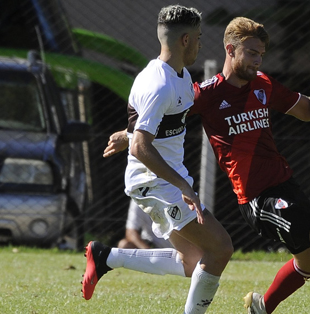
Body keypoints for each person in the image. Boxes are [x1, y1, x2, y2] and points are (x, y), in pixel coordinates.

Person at [105, 16, 310, 314]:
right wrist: (128, 134)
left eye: (261, 54)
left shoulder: (263, 84)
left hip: (285, 184)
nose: (258, 61)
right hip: (257, 199)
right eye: (251, 53)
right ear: (230, 50)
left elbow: (303, 107)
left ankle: (261, 306)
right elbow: (164, 118)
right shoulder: (204, 94)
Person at [81, 6, 233, 314]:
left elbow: (146, 128)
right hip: (156, 182)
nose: (202, 44)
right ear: (186, 40)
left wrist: (128, 135)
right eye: (200, 38)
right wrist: (182, 186)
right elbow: (141, 147)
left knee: (193, 261)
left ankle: (105, 257)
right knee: (220, 248)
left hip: (168, 179)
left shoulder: (180, 75)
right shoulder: (158, 83)